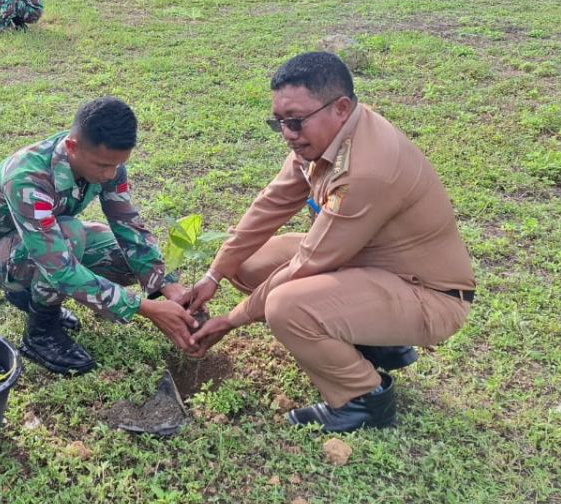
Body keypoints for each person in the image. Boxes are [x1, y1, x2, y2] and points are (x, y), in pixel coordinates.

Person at [184, 52, 475, 433]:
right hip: (367, 265)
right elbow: (271, 204)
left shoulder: (367, 169)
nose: (287, 133)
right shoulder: (326, 138)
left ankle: (363, 399)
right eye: (279, 122)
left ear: (340, 108)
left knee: (287, 306)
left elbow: (307, 264)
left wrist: (230, 319)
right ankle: (373, 341)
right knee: (248, 262)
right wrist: (214, 275)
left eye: (295, 121)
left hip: (428, 294)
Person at [0, 96, 198, 375]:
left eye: (117, 165)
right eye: (102, 166)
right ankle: (41, 332)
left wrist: (165, 284)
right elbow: (58, 267)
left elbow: (128, 226)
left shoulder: (108, 163)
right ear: (72, 147)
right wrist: (144, 308)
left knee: (120, 255)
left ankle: (28, 295)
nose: (111, 174)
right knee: (70, 236)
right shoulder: (27, 176)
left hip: (41, 240)